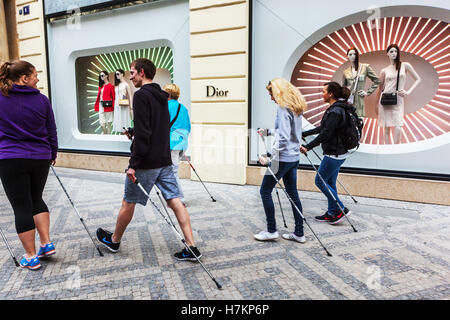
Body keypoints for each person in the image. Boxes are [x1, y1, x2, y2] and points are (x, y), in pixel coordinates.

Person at [96, 58, 202, 261]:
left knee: (128, 202)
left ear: (142, 72)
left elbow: (145, 134)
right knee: (175, 201)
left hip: (145, 163)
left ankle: (114, 241)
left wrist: (133, 165)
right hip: (164, 160)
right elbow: (156, 127)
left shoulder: (141, 95)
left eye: (133, 72)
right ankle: (191, 246)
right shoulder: (163, 95)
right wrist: (134, 131)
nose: (130, 76)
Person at [0, 60, 58, 270]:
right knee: (36, 199)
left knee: (21, 205)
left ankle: (31, 256)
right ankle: (46, 243)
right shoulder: (42, 100)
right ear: (24, 78)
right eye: (35, 75)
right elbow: (51, 128)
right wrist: (53, 152)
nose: (38, 78)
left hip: (10, 158)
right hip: (41, 157)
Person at [255, 78, 307, 243]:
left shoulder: (283, 108)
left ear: (278, 92)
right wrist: (268, 132)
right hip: (293, 158)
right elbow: (288, 132)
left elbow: (284, 138)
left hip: (282, 158)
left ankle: (271, 230)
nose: (270, 97)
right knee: (293, 193)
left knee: (265, 191)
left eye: (271, 93)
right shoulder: (296, 108)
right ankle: (299, 233)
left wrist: (270, 156)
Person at [300, 82, 353, 224]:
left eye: (324, 91)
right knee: (330, 181)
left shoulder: (335, 111)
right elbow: (323, 128)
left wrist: (308, 147)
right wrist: (304, 133)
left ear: (330, 94)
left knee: (319, 180)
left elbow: (326, 134)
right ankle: (332, 212)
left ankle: (341, 209)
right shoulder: (336, 109)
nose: (322, 93)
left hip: (334, 153)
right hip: (339, 152)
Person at [377, 44, 421, 144]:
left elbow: (418, 79)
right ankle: (387, 150)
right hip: (385, 99)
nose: (394, 53)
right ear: (387, 54)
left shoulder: (405, 65)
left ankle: (396, 148)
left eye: (396, 51)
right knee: (386, 127)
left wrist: (408, 91)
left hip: (398, 98)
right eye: (391, 51)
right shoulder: (384, 70)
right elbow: (380, 87)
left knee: (398, 126)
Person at [163, 83, 191, 207]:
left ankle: (180, 199)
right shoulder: (183, 108)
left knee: (172, 172)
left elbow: (162, 126)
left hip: (172, 143)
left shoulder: (165, 106)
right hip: (183, 144)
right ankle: (173, 198)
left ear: (168, 94)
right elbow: (188, 127)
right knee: (171, 170)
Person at [342, 47, 379, 117]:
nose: (352, 56)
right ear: (347, 56)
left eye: (354, 54)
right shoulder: (345, 72)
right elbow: (343, 87)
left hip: (359, 101)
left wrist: (368, 92)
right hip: (349, 101)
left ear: (357, 55)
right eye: (350, 54)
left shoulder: (364, 67)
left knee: (359, 123)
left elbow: (377, 80)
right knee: (348, 124)